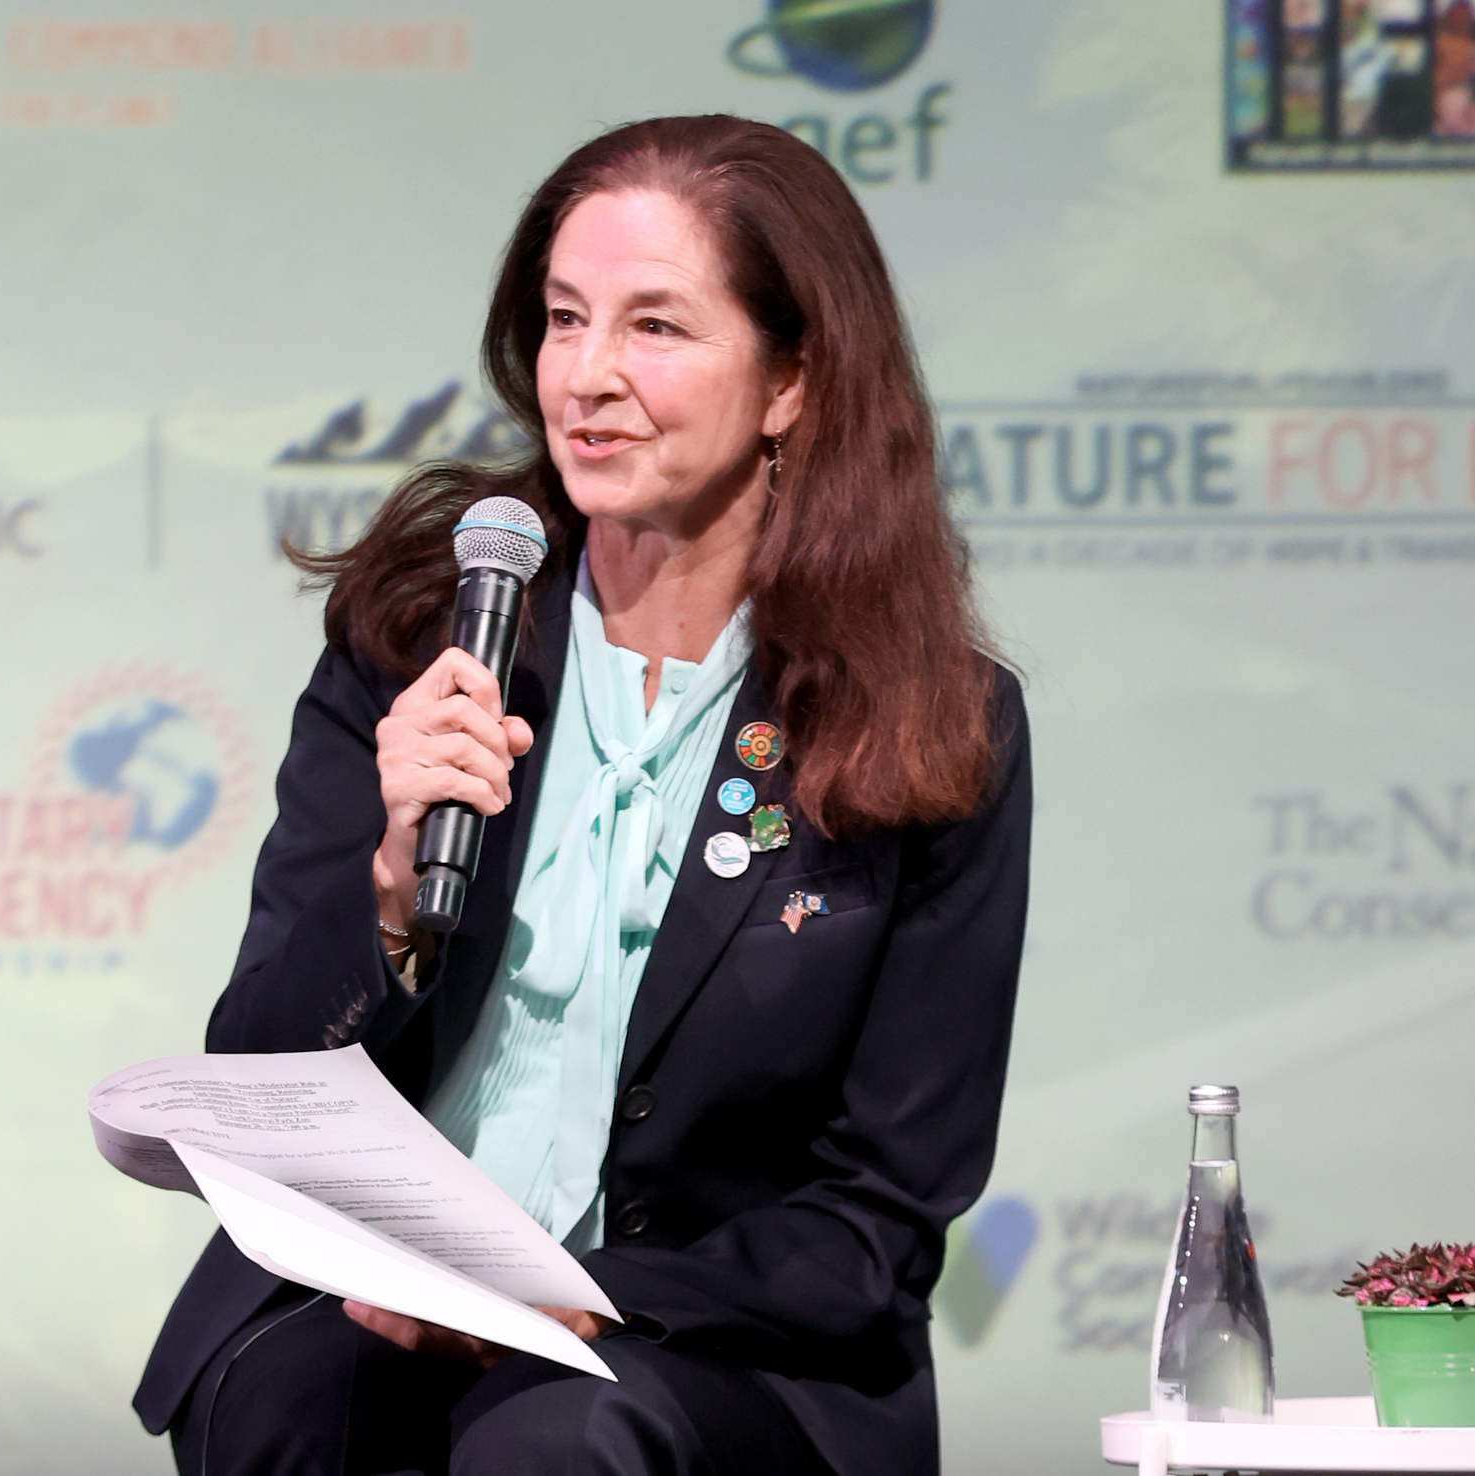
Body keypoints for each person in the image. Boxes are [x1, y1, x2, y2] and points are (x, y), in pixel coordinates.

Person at [138, 115, 1031, 1476]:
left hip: (712, 1353)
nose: (589, 379)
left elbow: (875, 1226)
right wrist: (384, 891)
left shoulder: (929, 726)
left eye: (656, 329)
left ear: (792, 380)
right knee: (295, 1415)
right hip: (371, 1306)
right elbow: (258, 1076)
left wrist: (581, 1301)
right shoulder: (421, 642)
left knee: (562, 1437)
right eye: (565, 322)